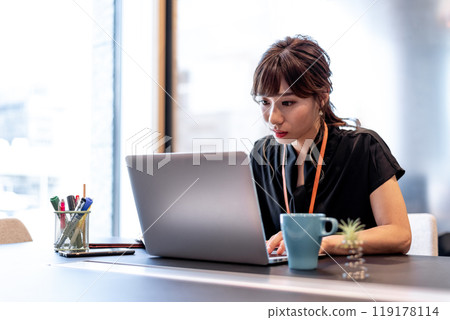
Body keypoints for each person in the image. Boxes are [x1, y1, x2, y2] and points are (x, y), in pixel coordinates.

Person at [250, 35, 411, 256]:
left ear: (322, 96)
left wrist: (326, 243)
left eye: (287, 103)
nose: (273, 118)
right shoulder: (262, 154)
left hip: (354, 281)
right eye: (265, 102)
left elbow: (399, 235)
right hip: (282, 282)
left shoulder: (363, 147)